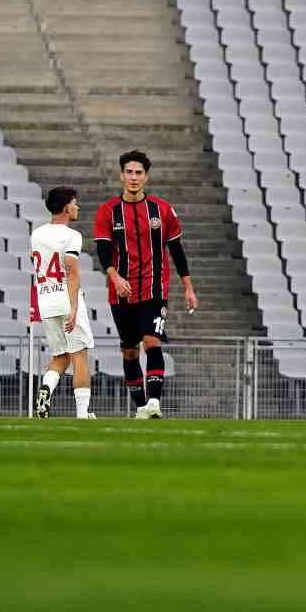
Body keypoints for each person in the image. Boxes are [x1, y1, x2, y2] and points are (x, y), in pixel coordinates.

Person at [93, 151, 197, 419]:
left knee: (152, 341)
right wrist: (115, 278)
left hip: (154, 288)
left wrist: (188, 287)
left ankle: (154, 402)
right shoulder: (108, 211)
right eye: (129, 172)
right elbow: (103, 252)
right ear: (121, 175)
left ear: (146, 177)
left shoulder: (162, 210)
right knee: (129, 351)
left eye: (139, 173)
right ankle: (140, 407)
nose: (134, 177)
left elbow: (176, 250)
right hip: (121, 293)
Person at [32, 187, 96, 419]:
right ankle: (82, 413)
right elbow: (70, 269)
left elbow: (37, 261)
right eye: (75, 203)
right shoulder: (72, 236)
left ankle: (45, 390)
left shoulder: (36, 234)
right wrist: (74, 308)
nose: (77, 207)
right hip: (66, 301)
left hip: (46, 301)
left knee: (61, 356)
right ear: (67, 207)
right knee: (79, 355)